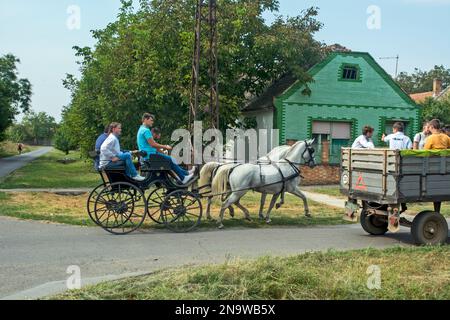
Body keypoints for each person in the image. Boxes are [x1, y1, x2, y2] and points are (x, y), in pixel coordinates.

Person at [137, 113, 195, 184]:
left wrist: (162, 150)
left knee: (169, 159)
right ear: (145, 119)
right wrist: (165, 147)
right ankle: (183, 177)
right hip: (150, 156)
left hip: (149, 155)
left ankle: (185, 174)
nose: (152, 122)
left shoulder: (141, 129)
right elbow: (152, 144)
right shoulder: (146, 130)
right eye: (151, 120)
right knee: (169, 159)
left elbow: (151, 145)